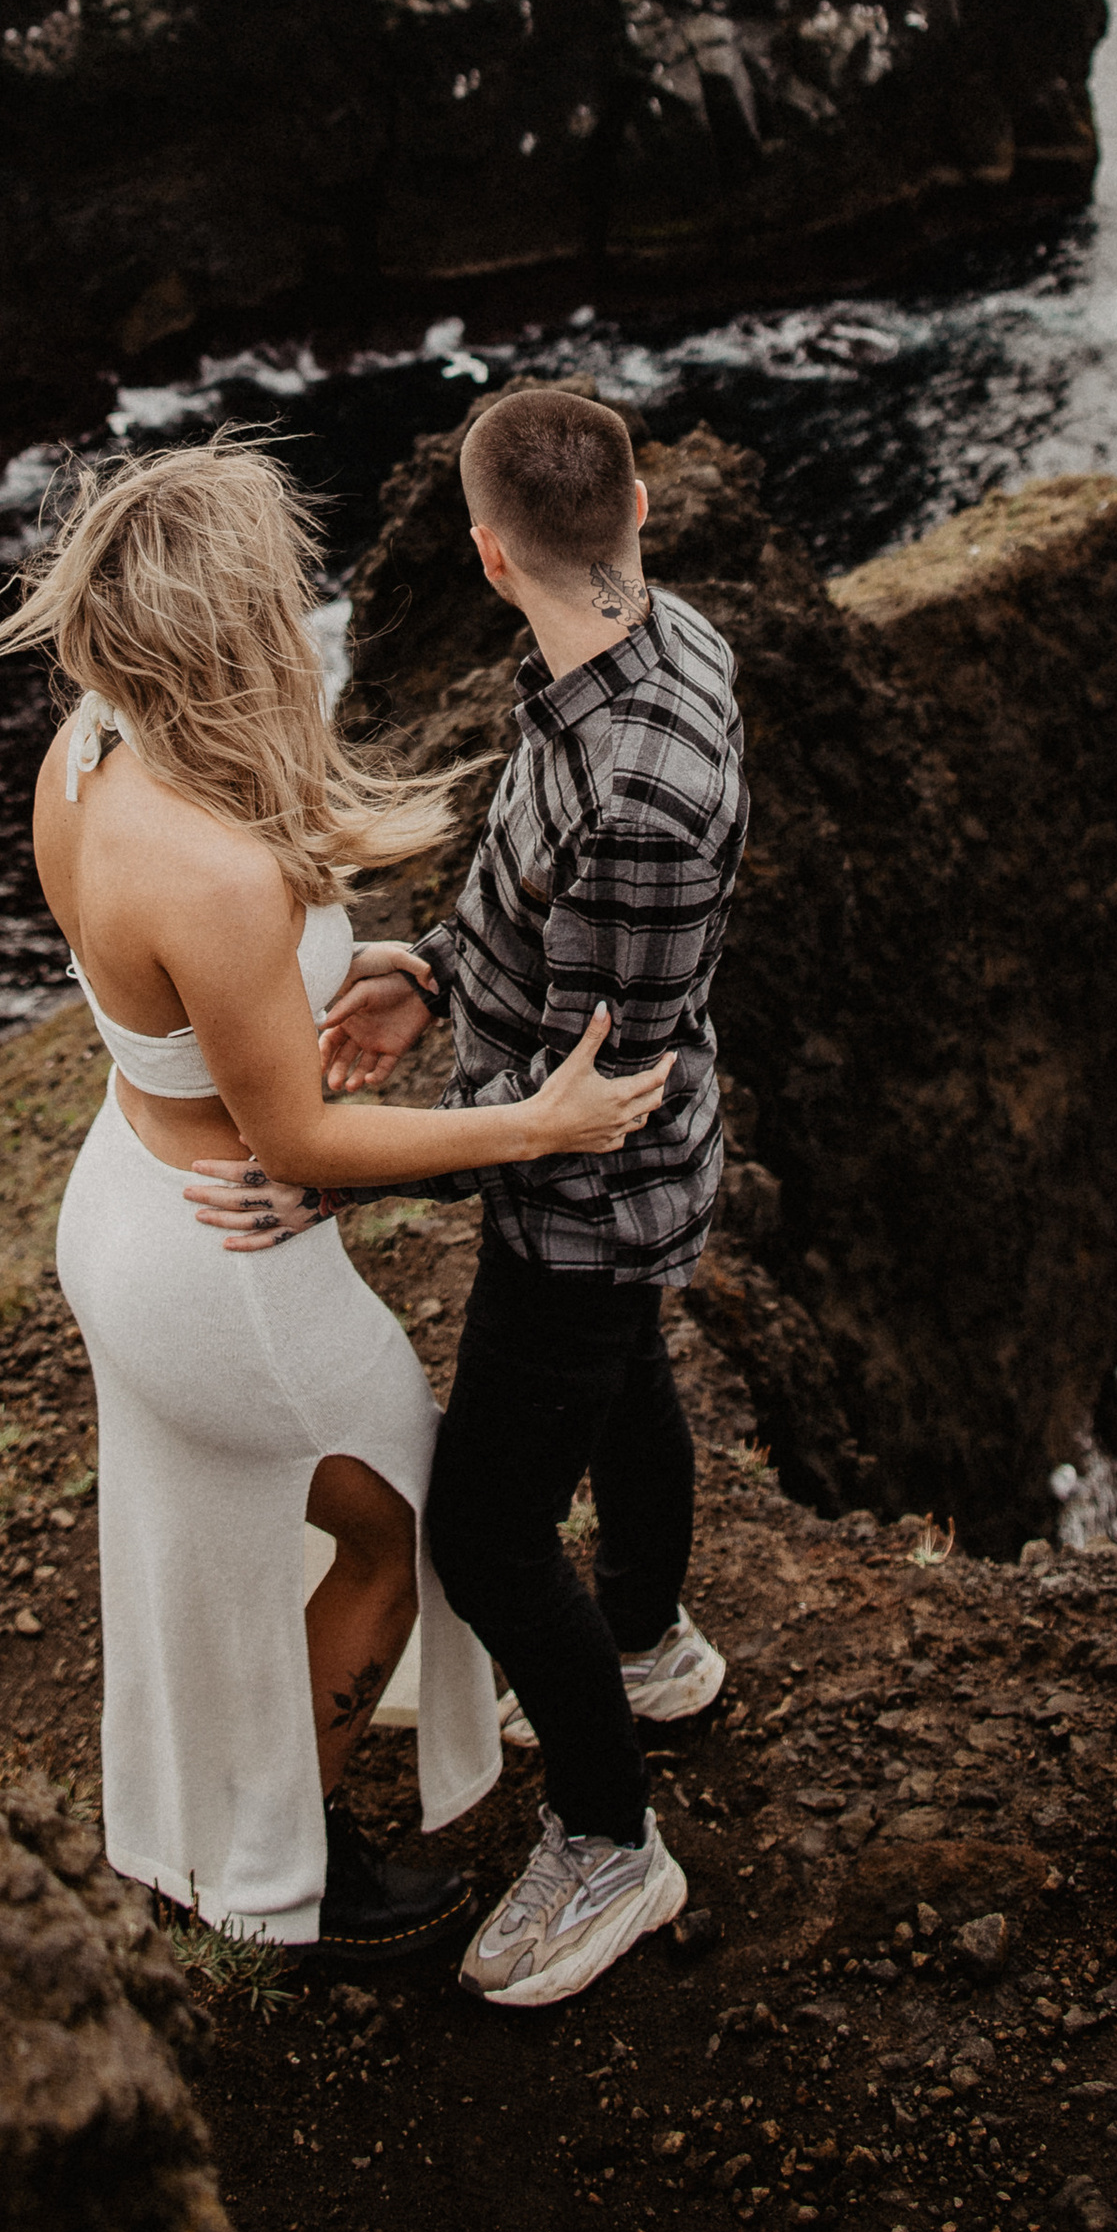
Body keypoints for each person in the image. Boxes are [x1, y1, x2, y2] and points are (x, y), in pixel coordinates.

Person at [0, 433, 674, 1970]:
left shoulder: (88, 751)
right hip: (226, 1253)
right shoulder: (215, 869)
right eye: (281, 601)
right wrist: (529, 1124)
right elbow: (298, 1145)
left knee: (247, 1521)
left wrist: (363, 978)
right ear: (228, 635)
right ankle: (292, 1871)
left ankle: (231, 1812)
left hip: (132, 1186)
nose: (305, 618)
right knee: (403, 1526)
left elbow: (168, 1016)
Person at [186, 383, 749, 2008]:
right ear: (635, 511)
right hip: (590, 1169)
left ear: (490, 552)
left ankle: (609, 1843)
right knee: (634, 1386)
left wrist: (342, 1181)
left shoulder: (642, 790)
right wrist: (430, 973)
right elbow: (536, 904)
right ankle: (647, 1646)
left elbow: (598, 1096)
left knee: (488, 1532)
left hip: (588, 1203)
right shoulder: (648, 651)